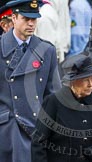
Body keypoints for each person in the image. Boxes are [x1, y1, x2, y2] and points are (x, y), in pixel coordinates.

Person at [0, 0, 61, 162]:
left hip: (36, 128)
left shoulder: (47, 50)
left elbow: (53, 95)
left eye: (34, 19)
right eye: (26, 19)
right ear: (13, 18)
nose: (31, 23)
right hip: (7, 129)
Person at [31, 52, 92, 162]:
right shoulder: (54, 102)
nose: (91, 84)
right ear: (72, 82)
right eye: (85, 80)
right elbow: (39, 142)